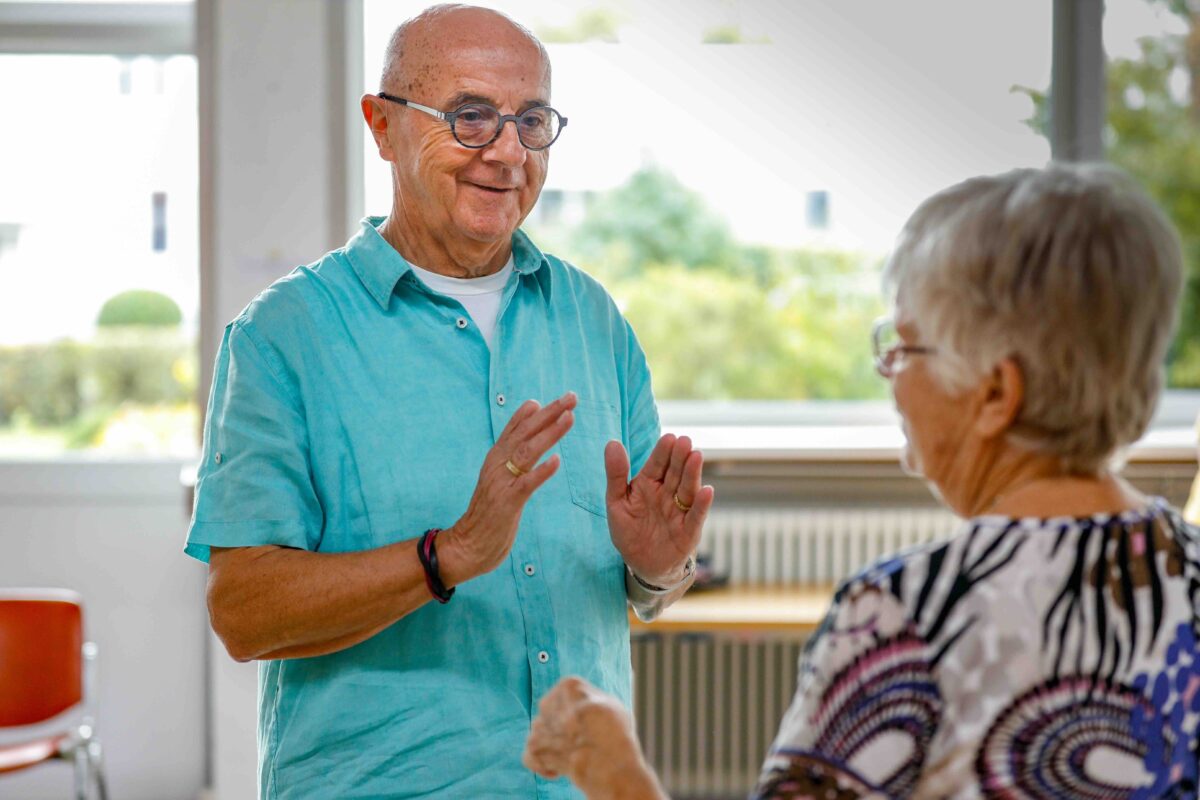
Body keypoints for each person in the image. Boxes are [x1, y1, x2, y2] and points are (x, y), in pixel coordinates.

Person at [523, 163, 1200, 798]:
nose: (889, 373)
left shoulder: (903, 617)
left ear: (997, 393)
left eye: (905, 347)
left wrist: (618, 772)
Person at [185, 5, 714, 798]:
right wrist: (447, 555)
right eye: (470, 117)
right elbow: (243, 613)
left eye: (531, 121)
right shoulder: (284, 335)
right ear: (382, 126)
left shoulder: (593, 318)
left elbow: (647, 588)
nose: (507, 152)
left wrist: (660, 565)